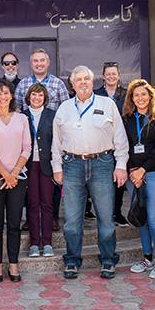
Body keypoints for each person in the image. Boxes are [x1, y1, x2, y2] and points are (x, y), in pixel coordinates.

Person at [51, 66, 129, 280]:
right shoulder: (64, 108)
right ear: (72, 84)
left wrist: (121, 165)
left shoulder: (107, 104)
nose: (83, 82)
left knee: (105, 217)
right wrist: (57, 167)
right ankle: (73, 260)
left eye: (87, 78)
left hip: (102, 164)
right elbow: (56, 142)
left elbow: (120, 138)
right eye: (78, 80)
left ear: (92, 81)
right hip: (72, 165)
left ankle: (107, 259)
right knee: (72, 220)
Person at [0, 79, 31, 282]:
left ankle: (14, 264)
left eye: (6, 93)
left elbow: (27, 148)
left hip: (18, 177)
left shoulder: (22, 119)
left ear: (11, 95)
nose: (2, 97)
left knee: (14, 223)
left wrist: (14, 173)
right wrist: (5, 174)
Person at [122, 79, 155, 279]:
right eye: (136, 95)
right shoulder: (127, 119)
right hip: (133, 174)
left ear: (150, 96)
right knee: (140, 217)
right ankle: (147, 257)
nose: (140, 98)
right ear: (132, 99)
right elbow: (123, 146)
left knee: (153, 217)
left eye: (144, 94)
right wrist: (132, 171)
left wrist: (142, 170)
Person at [23, 83, 56, 258]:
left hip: (47, 165)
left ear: (45, 98)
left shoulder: (52, 115)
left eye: (40, 96)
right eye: (34, 95)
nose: (37, 98)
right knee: (32, 204)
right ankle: (35, 243)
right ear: (29, 97)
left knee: (47, 204)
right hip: (29, 165)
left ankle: (48, 242)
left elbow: (58, 141)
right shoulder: (22, 116)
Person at [95, 62, 128, 226]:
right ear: (103, 76)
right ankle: (99, 212)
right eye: (108, 74)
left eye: (114, 74)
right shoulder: (96, 95)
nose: (111, 76)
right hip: (101, 144)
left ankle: (117, 212)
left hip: (120, 142)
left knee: (119, 180)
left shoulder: (126, 94)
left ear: (119, 75)